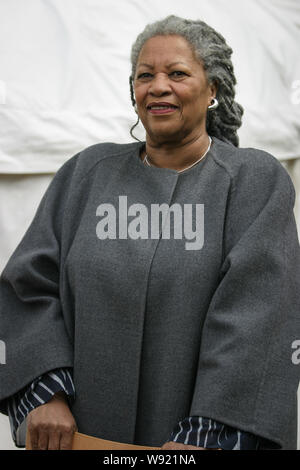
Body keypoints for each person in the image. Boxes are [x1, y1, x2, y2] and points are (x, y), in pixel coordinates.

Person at [0, 15, 299, 451]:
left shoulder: (252, 180)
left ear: (212, 89)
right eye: (145, 76)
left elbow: (259, 318)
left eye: (177, 73)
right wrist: (47, 392)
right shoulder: (87, 174)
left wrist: (205, 434)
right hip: (85, 439)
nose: (157, 87)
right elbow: (27, 289)